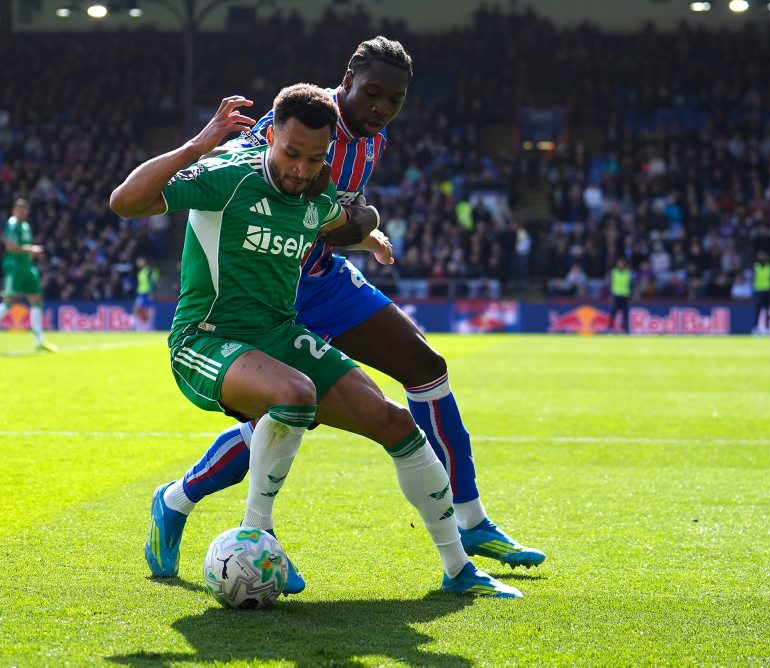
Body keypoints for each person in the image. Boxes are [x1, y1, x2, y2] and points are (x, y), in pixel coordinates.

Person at [146, 36, 543, 587]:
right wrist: (200, 153)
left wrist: (368, 231)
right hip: (271, 286)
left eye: (394, 100)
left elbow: (333, 210)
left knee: (424, 367)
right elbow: (245, 174)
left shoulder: (371, 137)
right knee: (284, 412)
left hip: (323, 275)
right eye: (373, 94)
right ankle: (190, 504)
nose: (382, 108)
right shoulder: (300, 127)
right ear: (348, 79)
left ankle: (469, 522)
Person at [0, 198, 57, 352]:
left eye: (25, 210)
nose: (22, 213)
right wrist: (31, 250)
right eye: (19, 210)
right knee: (9, 301)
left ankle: (39, 340)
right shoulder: (12, 224)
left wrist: (31, 253)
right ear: (14, 211)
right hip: (14, 268)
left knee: (36, 300)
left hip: (27, 267)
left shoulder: (26, 226)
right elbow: (10, 247)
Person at [133, 256, 159, 331]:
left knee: (148, 309)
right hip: (141, 292)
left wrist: (151, 292)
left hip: (146, 292)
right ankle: (142, 324)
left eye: (139, 261)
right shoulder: (141, 271)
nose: (138, 263)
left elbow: (152, 282)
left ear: (144, 261)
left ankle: (149, 325)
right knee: (141, 308)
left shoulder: (148, 270)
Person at [752, 251, 770, 334]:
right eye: (761, 256)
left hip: (767, 290)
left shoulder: (769, 266)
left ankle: (767, 329)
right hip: (758, 291)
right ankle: (755, 329)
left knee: (767, 311)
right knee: (758, 311)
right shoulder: (756, 266)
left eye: (763, 256)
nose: (762, 258)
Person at [609, 257, 632, 334]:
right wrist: (611, 295)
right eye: (619, 263)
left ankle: (624, 329)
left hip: (625, 295)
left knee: (625, 313)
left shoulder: (627, 272)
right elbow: (611, 284)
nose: (621, 264)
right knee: (614, 312)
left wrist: (630, 295)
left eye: (622, 263)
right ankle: (610, 329)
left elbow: (630, 284)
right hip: (616, 295)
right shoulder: (614, 272)